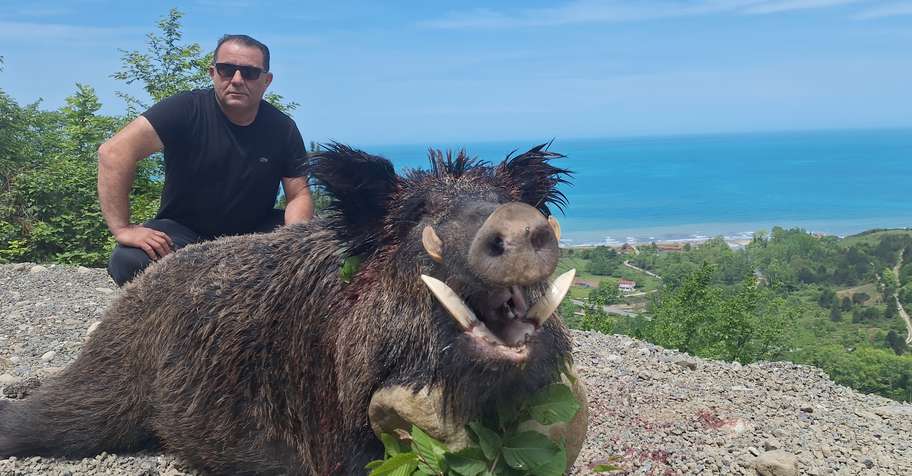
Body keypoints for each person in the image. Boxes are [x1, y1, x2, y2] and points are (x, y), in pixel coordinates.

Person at [98, 34, 313, 286]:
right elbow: (113, 153)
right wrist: (123, 229)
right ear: (213, 72)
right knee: (128, 260)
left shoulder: (282, 128)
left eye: (250, 73)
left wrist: (294, 241)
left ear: (266, 81)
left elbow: (298, 194)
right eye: (226, 70)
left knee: (320, 246)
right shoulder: (184, 110)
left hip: (254, 234)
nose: (237, 80)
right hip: (183, 233)